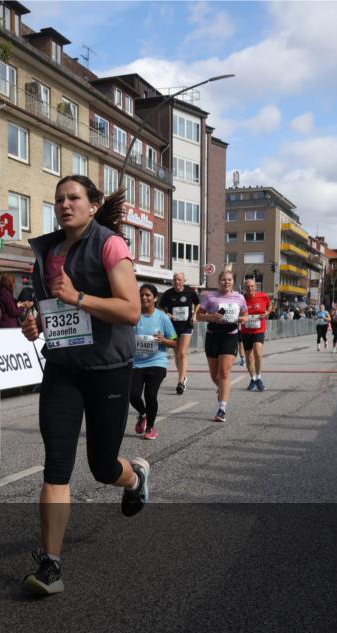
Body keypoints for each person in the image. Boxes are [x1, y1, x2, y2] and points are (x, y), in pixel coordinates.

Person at [19, 176, 148, 596]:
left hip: (108, 368)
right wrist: (34, 323)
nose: (64, 205)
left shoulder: (110, 245)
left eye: (74, 198)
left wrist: (78, 298)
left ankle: (133, 479)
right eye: (58, 199)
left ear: (93, 206)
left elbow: (130, 310)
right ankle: (51, 565)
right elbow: (48, 310)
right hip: (62, 368)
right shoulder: (47, 252)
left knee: (101, 466)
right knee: (56, 465)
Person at [195, 269, 248, 422]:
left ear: (233, 282)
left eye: (229, 279)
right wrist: (210, 317)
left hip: (230, 336)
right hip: (213, 336)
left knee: (224, 372)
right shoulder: (210, 297)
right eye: (223, 279)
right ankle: (223, 387)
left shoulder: (239, 297)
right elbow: (199, 315)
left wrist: (242, 320)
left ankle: (221, 409)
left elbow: (245, 315)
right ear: (219, 281)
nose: (226, 282)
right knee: (214, 375)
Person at [130, 284, 177, 440]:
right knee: (132, 394)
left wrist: (163, 340)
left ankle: (150, 427)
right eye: (141, 295)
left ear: (155, 298)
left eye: (148, 295)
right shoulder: (134, 315)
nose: (144, 297)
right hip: (136, 362)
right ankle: (143, 413)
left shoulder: (162, 317)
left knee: (150, 394)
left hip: (157, 362)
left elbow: (175, 342)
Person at [159, 272, 200, 394]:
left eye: (179, 280)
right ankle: (182, 376)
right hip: (172, 327)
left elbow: (198, 303)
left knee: (182, 352)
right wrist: (166, 314)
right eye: (175, 280)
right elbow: (161, 307)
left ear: (184, 281)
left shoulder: (190, 292)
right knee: (177, 354)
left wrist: (195, 315)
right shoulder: (168, 293)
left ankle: (180, 382)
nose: (177, 282)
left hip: (187, 326)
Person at [241, 277, 272, 391]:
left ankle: (259, 377)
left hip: (259, 329)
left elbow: (270, 305)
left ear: (256, 287)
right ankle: (253, 379)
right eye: (247, 287)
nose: (250, 288)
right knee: (249, 357)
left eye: (252, 286)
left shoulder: (263, 296)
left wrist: (267, 312)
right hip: (245, 331)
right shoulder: (241, 298)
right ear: (245, 288)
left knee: (258, 352)